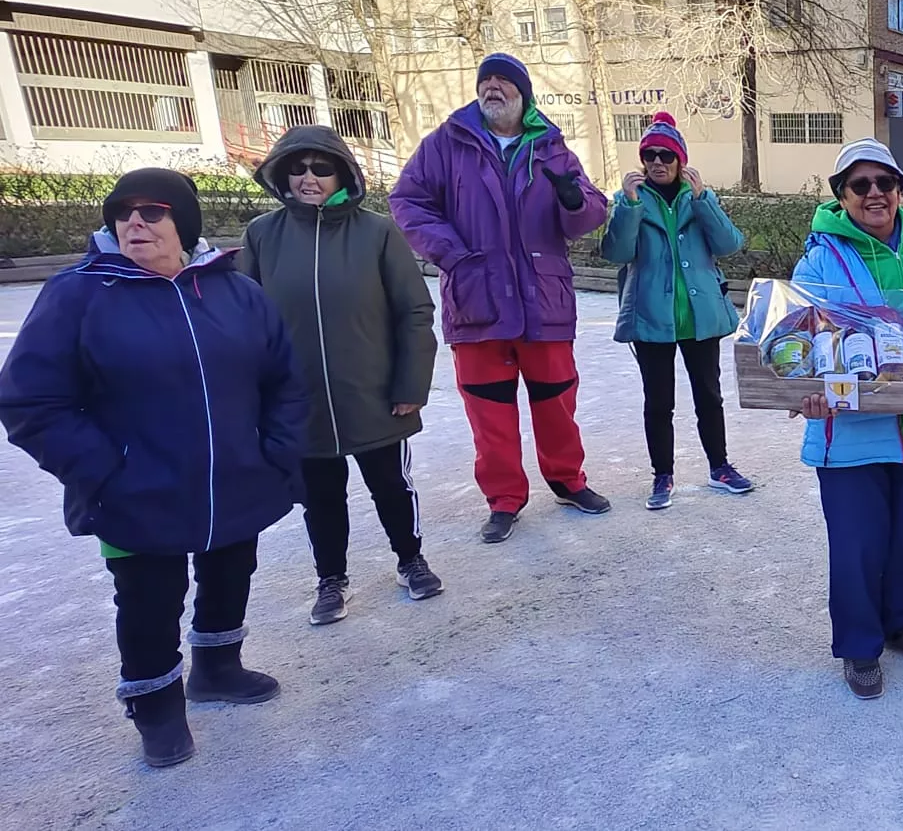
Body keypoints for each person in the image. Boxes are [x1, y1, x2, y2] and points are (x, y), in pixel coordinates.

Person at [0, 169, 309, 767]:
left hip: (234, 476)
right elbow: (30, 400)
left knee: (231, 572)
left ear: (184, 223)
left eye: (152, 211)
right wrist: (105, 469)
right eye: (123, 212)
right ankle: (157, 709)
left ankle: (217, 668)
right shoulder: (78, 295)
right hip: (132, 490)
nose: (134, 222)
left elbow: (284, 382)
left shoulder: (235, 292)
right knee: (148, 600)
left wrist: (272, 452)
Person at [389, 53, 612, 543]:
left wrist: (574, 201)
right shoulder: (445, 144)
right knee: (488, 410)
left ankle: (568, 481)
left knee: (556, 403)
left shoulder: (550, 145)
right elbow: (406, 201)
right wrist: (452, 253)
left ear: (522, 93)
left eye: (503, 81)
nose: (493, 87)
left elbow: (591, 211)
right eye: (485, 80)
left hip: (543, 302)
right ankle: (504, 499)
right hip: (477, 300)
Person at [243, 126, 443, 625]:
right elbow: (241, 321)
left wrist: (410, 384)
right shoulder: (262, 235)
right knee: (320, 498)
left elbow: (414, 311)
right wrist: (255, 396)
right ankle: (331, 578)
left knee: (391, 485)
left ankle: (411, 560)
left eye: (321, 168)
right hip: (299, 402)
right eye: (297, 168)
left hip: (374, 394)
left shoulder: (377, 232)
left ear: (343, 174)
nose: (308, 178)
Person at [792, 139, 903, 700]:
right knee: (858, 541)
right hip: (851, 430)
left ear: (899, 190)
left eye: (885, 183)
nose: (874, 194)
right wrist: (804, 392)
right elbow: (796, 336)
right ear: (841, 195)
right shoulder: (820, 258)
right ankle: (860, 644)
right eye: (860, 184)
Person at [601, 111, 755, 510]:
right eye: (649, 155)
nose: (657, 162)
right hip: (651, 318)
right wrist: (629, 206)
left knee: (710, 397)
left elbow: (729, 244)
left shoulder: (697, 197)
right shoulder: (630, 200)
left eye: (666, 155)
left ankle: (720, 467)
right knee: (658, 402)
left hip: (700, 318)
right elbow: (616, 252)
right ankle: (662, 475)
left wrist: (704, 201)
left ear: (680, 160)